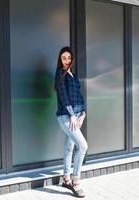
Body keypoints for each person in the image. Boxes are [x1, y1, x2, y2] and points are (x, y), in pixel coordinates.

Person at [54, 46, 88, 198]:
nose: (66, 60)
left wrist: (83, 113)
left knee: (70, 146)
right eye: (63, 58)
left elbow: (79, 96)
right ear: (60, 60)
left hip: (77, 116)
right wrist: (73, 115)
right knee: (83, 145)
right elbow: (63, 96)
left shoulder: (73, 75)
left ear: (72, 59)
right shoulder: (60, 74)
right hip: (66, 117)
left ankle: (66, 178)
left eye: (68, 58)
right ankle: (76, 180)